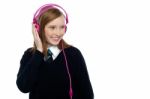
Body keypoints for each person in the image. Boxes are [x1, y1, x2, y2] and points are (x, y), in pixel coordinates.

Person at [16, 3, 94, 99]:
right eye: (52, 27)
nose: (58, 33)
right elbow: (23, 87)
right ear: (38, 28)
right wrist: (39, 52)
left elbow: (87, 94)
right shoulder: (30, 55)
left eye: (62, 27)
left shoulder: (73, 54)